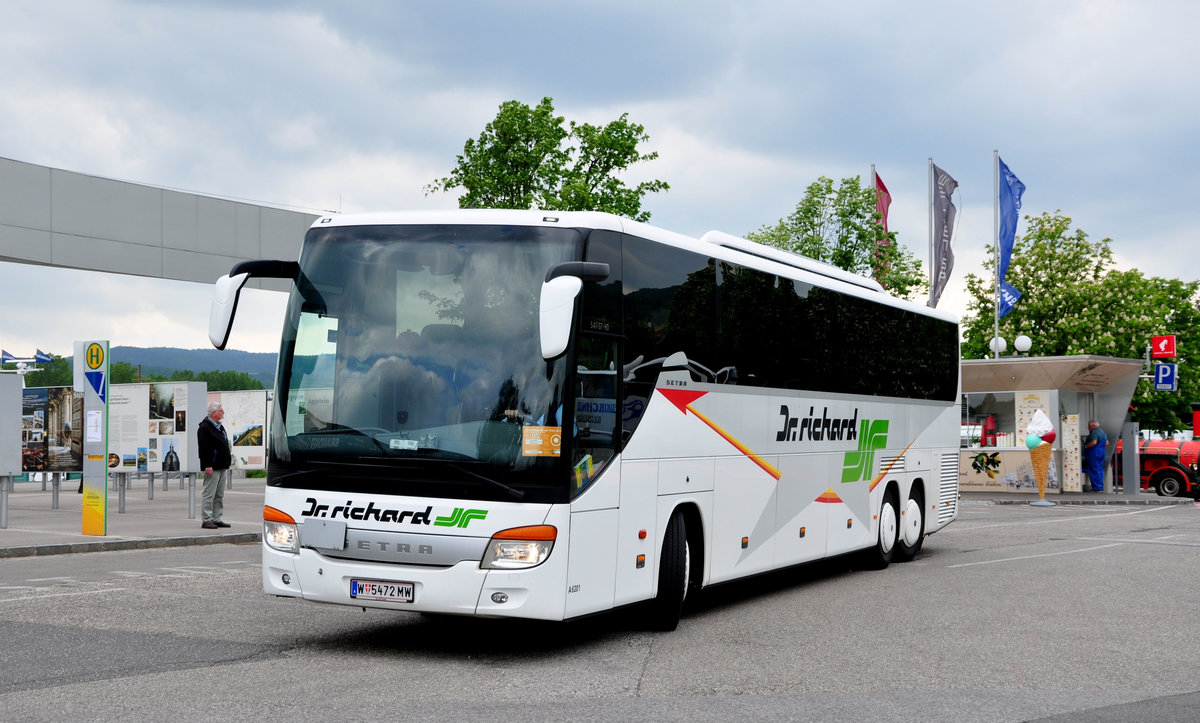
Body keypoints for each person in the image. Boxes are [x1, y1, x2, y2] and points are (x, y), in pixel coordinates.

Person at [197, 401, 232, 529]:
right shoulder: (204, 428)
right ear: (213, 413)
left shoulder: (220, 427)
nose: (223, 413)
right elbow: (204, 448)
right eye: (221, 411)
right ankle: (206, 519)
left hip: (222, 465)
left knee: (219, 494)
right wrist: (207, 465)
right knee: (209, 494)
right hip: (212, 466)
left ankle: (217, 518)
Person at [1083, 419, 1107, 492]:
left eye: (1089, 426)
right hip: (1102, 452)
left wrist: (1086, 446)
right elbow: (1107, 443)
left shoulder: (1094, 432)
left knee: (1094, 470)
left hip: (1094, 452)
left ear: (1093, 426)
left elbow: (1094, 442)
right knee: (1099, 469)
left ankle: (1096, 488)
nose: (1088, 428)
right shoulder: (1103, 432)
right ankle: (1100, 486)